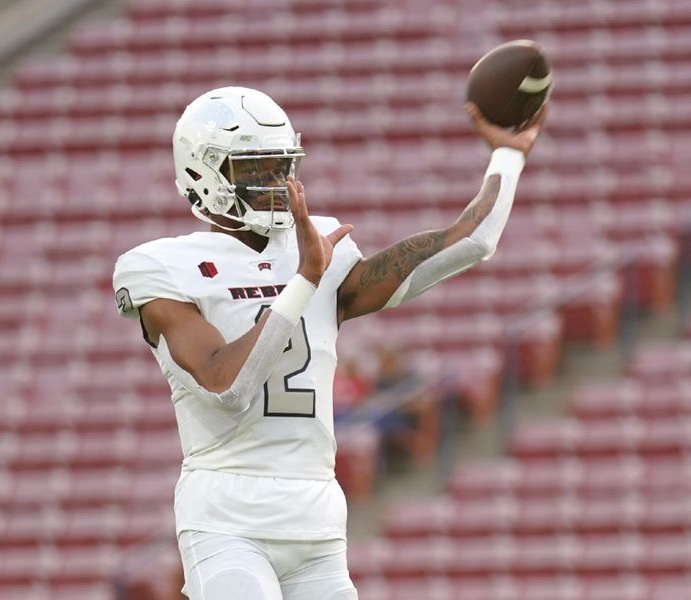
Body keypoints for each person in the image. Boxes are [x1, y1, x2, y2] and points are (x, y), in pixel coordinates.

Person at [112, 86, 547, 600]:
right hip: (228, 516)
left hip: (316, 516)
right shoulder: (159, 265)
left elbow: (471, 240)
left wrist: (508, 155)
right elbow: (225, 385)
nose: (274, 184)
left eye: (280, 167)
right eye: (254, 170)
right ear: (203, 173)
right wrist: (303, 281)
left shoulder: (319, 245)